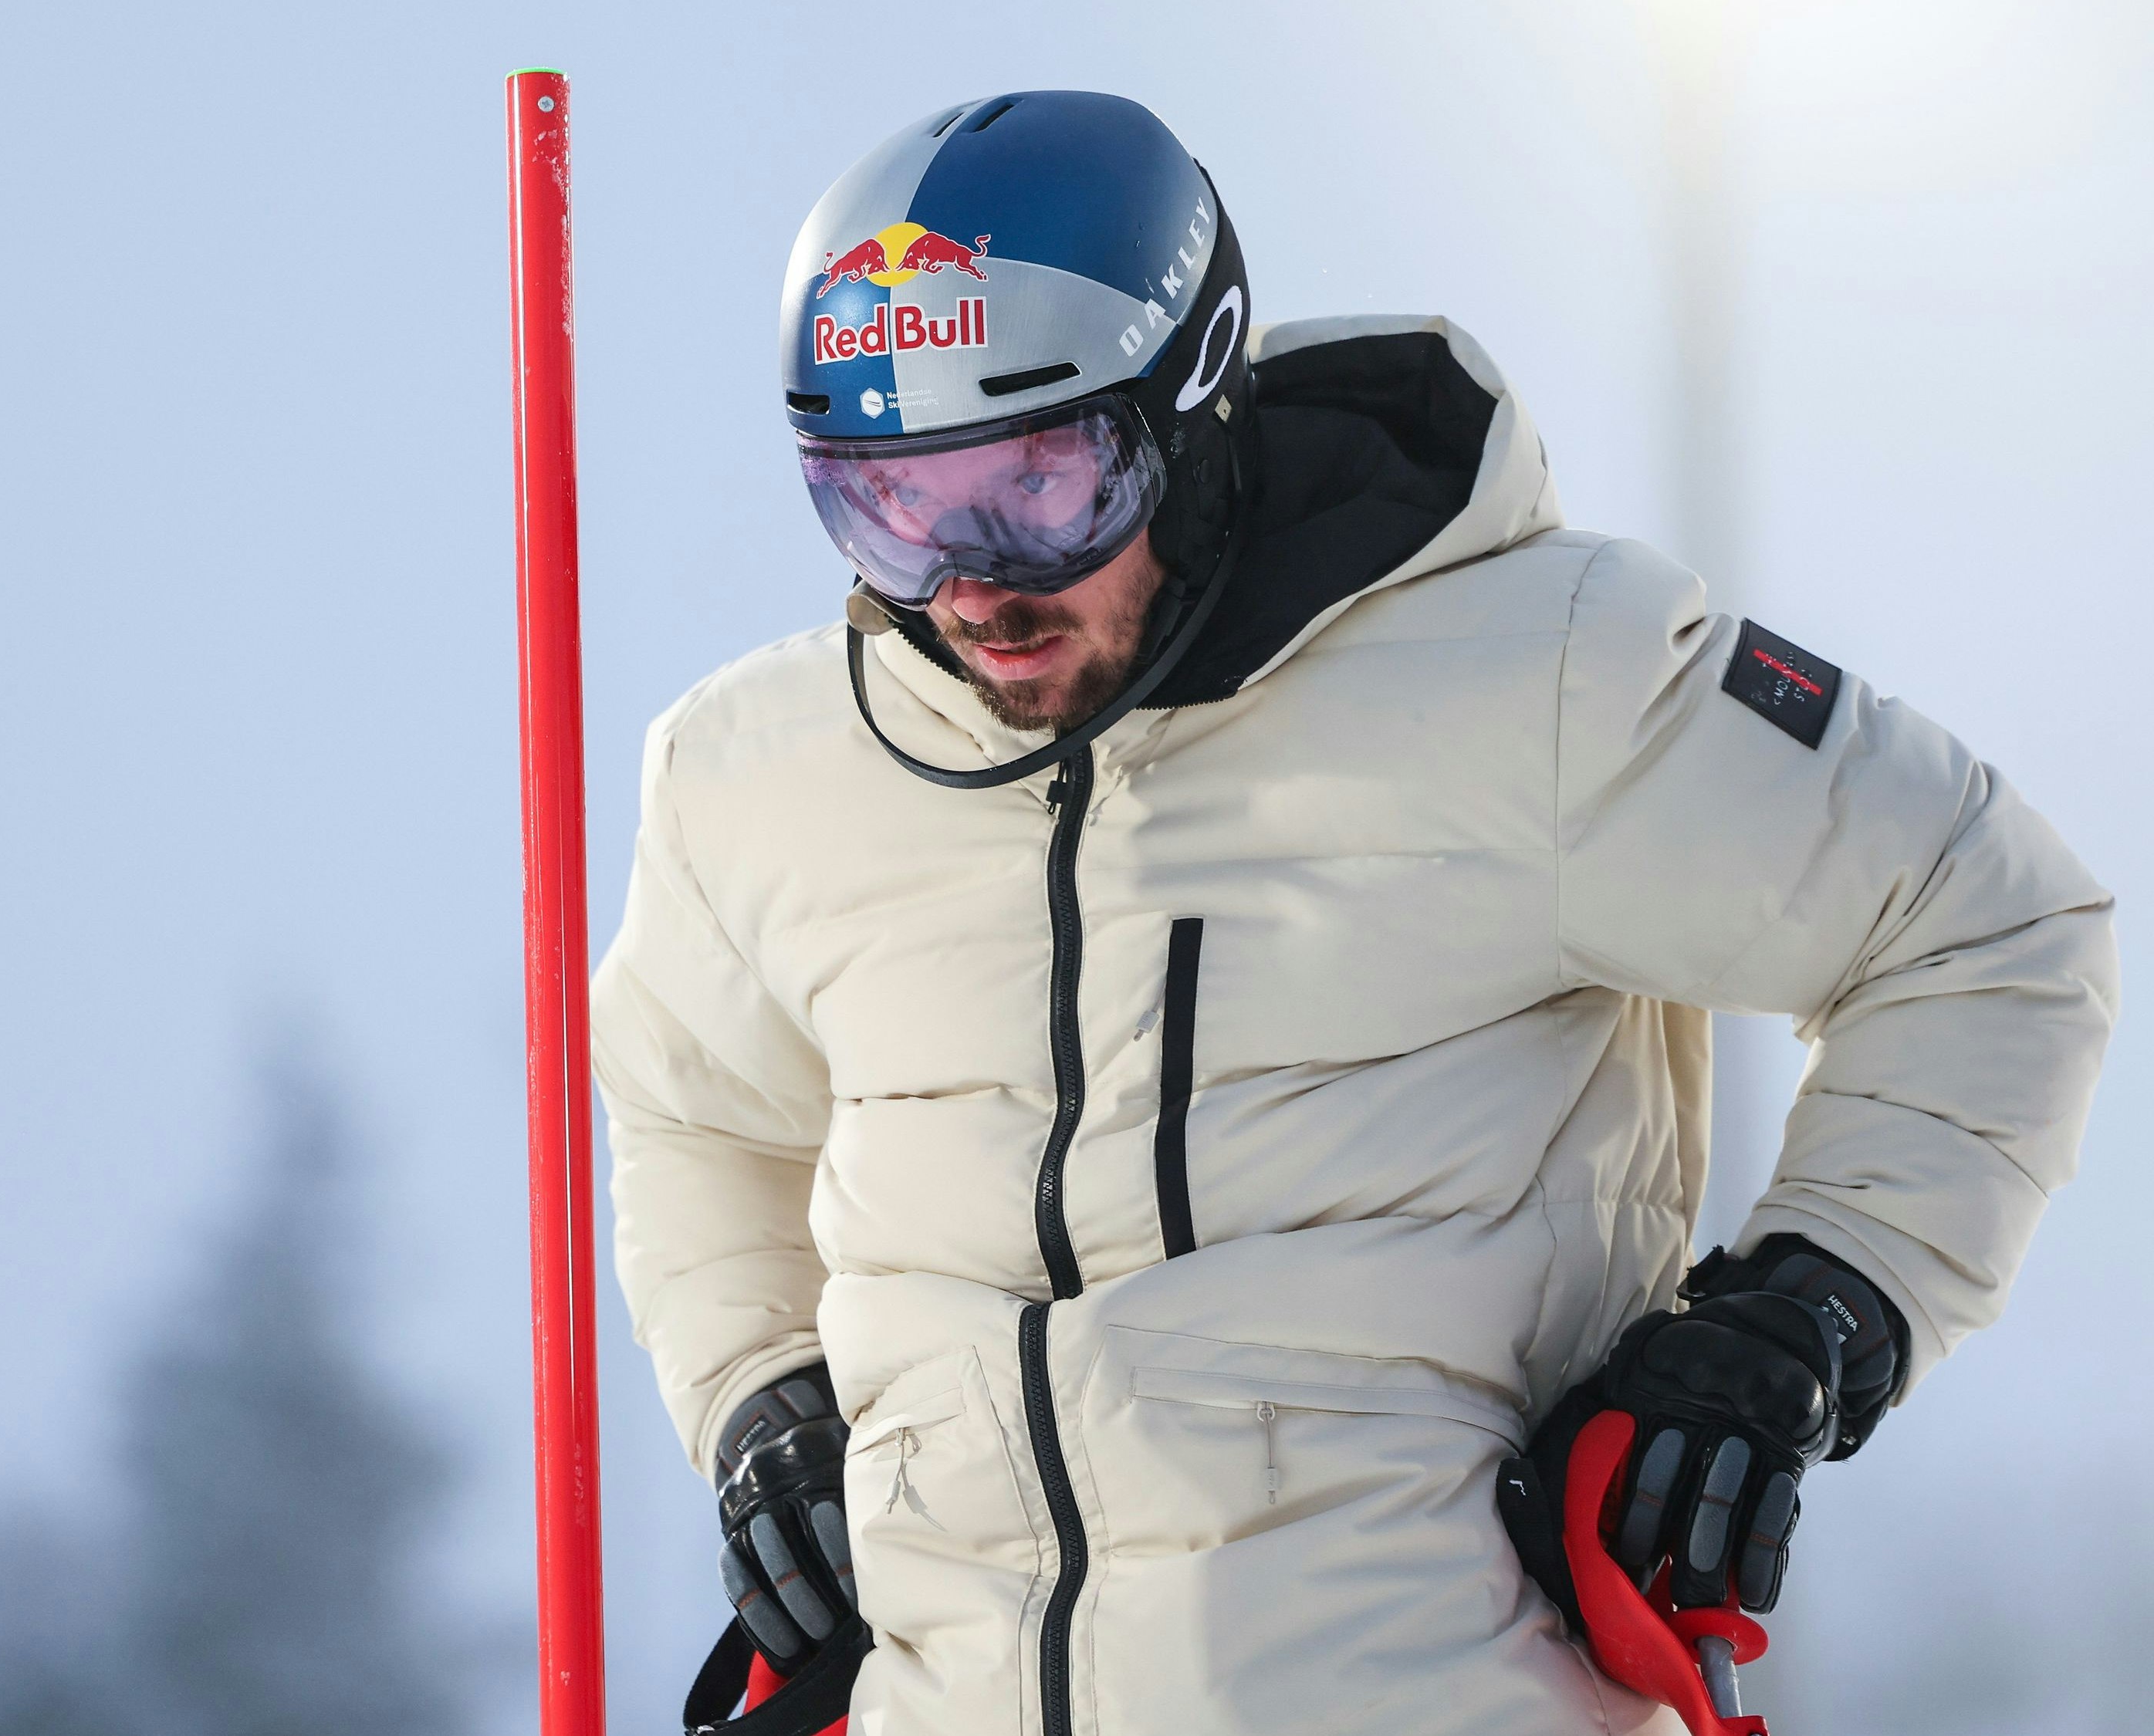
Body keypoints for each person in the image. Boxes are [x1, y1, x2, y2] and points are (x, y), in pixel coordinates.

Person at [593, 90, 2116, 1736]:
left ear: (1188, 403)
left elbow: (1986, 925)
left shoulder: (1532, 676)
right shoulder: (756, 775)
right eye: (888, 504)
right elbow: (692, 1117)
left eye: (1040, 485)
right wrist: (758, 1400)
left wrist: (1810, 1313)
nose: (971, 584)